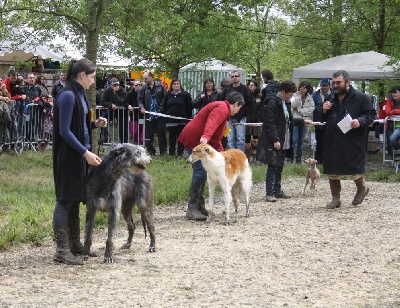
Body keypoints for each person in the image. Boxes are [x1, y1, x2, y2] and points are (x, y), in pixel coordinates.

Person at [52, 58, 107, 265]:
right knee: (65, 200)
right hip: (68, 157)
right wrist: (86, 153)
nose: (93, 81)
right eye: (92, 77)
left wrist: (94, 124)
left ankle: (75, 245)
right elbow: (64, 131)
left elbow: (79, 125)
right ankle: (61, 250)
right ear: (82, 75)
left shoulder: (80, 93)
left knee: (75, 198)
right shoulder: (67, 95)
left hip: (79, 156)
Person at [178, 92, 244, 220]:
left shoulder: (222, 108)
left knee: (203, 171)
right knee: (200, 172)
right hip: (196, 139)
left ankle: (199, 206)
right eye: (239, 108)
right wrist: (206, 137)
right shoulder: (222, 108)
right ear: (236, 104)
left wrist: (221, 152)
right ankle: (192, 209)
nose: (237, 111)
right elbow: (211, 122)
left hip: (199, 139)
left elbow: (217, 135)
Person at [315, 70, 375, 209]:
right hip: (332, 140)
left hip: (352, 139)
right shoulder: (330, 97)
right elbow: (320, 117)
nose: (335, 85)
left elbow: (370, 114)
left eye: (338, 82)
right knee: (332, 171)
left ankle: (361, 189)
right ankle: (336, 199)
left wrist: (360, 121)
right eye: (333, 82)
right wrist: (323, 109)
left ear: (347, 82)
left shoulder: (360, 97)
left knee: (354, 169)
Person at [257, 81, 312, 202]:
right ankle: (269, 192)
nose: (291, 96)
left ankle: (277, 190)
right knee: (273, 165)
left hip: (285, 137)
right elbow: (269, 123)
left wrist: (302, 121)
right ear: (282, 91)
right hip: (275, 138)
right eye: (289, 94)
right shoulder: (272, 102)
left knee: (280, 164)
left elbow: (289, 120)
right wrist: (275, 139)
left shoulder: (286, 103)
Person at [220, 70, 254, 152]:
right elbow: (222, 102)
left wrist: (243, 113)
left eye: (236, 76)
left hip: (241, 118)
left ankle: (240, 159)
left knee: (240, 139)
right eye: (232, 76)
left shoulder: (245, 89)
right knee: (230, 139)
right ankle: (232, 159)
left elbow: (251, 103)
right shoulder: (227, 89)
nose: (234, 78)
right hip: (229, 118)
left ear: (239, 77)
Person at [138, 71, 167, 155]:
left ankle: (163, 151)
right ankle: (151, 151)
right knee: (148, 135)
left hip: (159, 114)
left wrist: (161, 108)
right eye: (144, 78)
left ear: (151, 77)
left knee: (161, 134)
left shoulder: (161, 86)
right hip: (148, 114)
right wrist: (141, 107)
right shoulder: (143, 88)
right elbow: (139, 99)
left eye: (146, 78)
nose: (144, 80)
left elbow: (165, 98)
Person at [163, 79, 193, 157]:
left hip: (182, 121)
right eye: (174, 84)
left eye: (178, 84)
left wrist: (187, 116)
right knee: (171, 138)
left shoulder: (185, 94)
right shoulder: (168, 94)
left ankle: (180, 153)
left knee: (181, 138)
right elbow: (164, 105)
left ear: (180, 85)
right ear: (171, 85)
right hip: (171, 121)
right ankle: (171, 153)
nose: (176, 85)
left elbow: (189, 106)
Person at [290, 80, 315, 163]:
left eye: (305, 88)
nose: (303, 89)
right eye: (301, 87)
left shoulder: (310, 98)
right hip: (295, 120)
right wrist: (300, 96)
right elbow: (293, 105)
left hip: (305, 121)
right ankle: (290, 158)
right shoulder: (294, 95)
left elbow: (311, 109)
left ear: (307, 89)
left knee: (301, 140)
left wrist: (300, 111)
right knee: (293, 139)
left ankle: (298, 159)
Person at [101, 78, 129, 143]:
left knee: (123, 128)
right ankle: (105, 137)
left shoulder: (122, 91)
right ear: (111, 85)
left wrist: (114, 93)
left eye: (117, 85)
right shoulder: (107, 91)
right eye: (114, 85)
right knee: (102, 120)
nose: (116, 86)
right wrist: (111, 105)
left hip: (122, 112)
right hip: (112, 111)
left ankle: (124, 143)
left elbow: (120, 102)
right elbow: (103, 101)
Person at [312, 78, 332, 163]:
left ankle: (328, 159)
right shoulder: (315, 95)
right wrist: (321, 108)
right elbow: (312, 108)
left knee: (329, 142)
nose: (324, 87)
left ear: (329, 86)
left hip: (330, 122)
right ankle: (318, 160)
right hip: (318, 122)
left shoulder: (334, 95)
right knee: (319, 142)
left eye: (326, 85)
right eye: (322, 85)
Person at [124, 80, 143, 145]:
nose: (138, 86)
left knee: (141, 131)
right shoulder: (130, 94)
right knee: (134, 131)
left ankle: (141, 145)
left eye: (140, 85)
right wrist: (128, 106)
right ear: (133, 86)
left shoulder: (144, 93)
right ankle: (135, 144)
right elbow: (125, 102)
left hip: (142, 116)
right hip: (134, 116)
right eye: (136, 85)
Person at [384, 85, 400, 156]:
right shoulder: (389, 100)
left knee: (393, 139)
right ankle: (395, 161)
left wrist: (394, 110)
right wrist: (395, 111)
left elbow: (390, 111)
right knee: (390, 144)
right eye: (393, 93)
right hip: (390, 124)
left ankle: (398, 151)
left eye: (396, 92)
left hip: (398, 125)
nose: (394, 94)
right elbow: (387, 112)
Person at [245, 79, 262, 144]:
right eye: (249, 85)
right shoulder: (246, 96)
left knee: (256, 138)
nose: (251, 86)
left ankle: (256, 152)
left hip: (256, 120)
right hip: (247, 119)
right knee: (247, 138)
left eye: (252, 85)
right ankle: (247, 152)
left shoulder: (259, 97)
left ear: (256, 87)